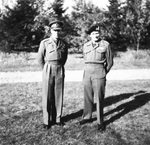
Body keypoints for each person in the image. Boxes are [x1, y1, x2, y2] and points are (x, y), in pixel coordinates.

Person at [80, 23, 113, 132]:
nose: (96, 35)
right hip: (87, 72)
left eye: (97, 33)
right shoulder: (85, 45)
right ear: (90, 35)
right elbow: (85, 58)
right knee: (87, 96)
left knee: (99, 98)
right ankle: (87, 117)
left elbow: (110, 62)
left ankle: (100, 122)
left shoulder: (106, 45)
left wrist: (103, 72)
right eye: (94, 33)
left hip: (99, 71)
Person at [37, 19, 68, 129]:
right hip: (48, 68)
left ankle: (57, 118)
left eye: (59, 30)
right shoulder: (45, 43)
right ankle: (46, 121)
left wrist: (59, 66)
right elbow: (40, 59)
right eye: (55, 30)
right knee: (47, 95)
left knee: (58, 95)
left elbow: (64, 58)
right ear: (51, 30)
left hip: (59, 68)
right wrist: (45, 70)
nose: (57, 32)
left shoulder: (64, 43)